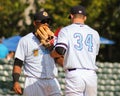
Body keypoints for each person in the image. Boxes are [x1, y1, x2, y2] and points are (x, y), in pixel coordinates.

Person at [50, 5, 100, 96]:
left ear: (71, 16)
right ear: (85, 18)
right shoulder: (95, 33)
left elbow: (60, 50)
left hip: (75, 75)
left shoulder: (66, 30)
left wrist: (51, 53)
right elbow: (94, 54)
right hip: (91, 75)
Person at [12, 10, 61, 96]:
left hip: (52, 81)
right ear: (35, 23)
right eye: (43, 21)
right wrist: (16, 81)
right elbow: (18, 63)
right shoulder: (25, 40)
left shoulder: (54, 40)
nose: (46, 24)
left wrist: (52, 48)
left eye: (48, 21)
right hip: (34, 83)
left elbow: (60, 59)